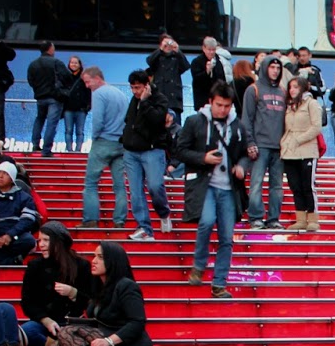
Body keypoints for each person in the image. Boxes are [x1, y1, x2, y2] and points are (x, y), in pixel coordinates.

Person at [177, 83, 250, 300]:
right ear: (210, 102)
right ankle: (199, 265)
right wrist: (203, 158)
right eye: (219, 105)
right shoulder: (195, 121)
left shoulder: (237, 126)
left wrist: (241, 167)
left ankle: (219, 283)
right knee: (206, 221)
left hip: (228, 188)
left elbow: (245, 153)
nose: (223, 110)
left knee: (227, 238)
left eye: (227, 106)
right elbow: (180, 150)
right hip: (204, 184)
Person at [61, 241, 153, 346]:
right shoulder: (99, 286)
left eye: (100, 257)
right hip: (103, 340)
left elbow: (137, 322)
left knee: (67, 333)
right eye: (94, 256)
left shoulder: (126, 286)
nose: (94, 261)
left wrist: (108, 341)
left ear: (112, 262)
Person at [20, 221, 97, 346]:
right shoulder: (34, 266)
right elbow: (27, 303)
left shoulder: (81, 265)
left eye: (46, 240)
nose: (41, 245)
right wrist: (46, 320)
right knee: (26, 331)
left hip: (73, 323)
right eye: (39, 240)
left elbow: (92, 300)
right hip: (44, 324)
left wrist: (73, 293)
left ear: (59, 242)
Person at [121, 70, 174, 240]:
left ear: (147, 86)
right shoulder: (133, 101)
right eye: (132, 88)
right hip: (131, 151)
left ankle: (164, 213)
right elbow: (130, 122)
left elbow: (157, 121)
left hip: (152, 150)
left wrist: (144, 103)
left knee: (155, 186)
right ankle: (144, 228)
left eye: (138, 88)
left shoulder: (160, 99)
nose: (135, 91)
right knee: (136, 191)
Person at [239, 54, 289, 229]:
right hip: (260, 145)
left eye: (278, 68)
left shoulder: (283, 91)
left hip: (279, 147)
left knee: (277, 186)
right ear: (265, 68)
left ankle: (274, 218)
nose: (275, 71)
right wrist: (250, 143)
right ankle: (255, 217)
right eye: (272, 67)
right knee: (256, 183)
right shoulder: (253, 90)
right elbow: (247, 120)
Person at [80, 66, 128, 227]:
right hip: (121, 143)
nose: (87, 86)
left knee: (91, 183)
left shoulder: (99, 94)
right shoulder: (120, 94)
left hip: (103, 142)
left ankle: (91, 219)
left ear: (97, 79)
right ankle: (120, 221)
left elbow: (98, 120)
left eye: (88, 82)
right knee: (120, 185)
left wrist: (94, 138)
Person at [280, 76, 324, 232]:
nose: (292, 90)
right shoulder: (289, 106)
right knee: (295, 186)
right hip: (289, 151)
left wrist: (299, 139)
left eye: (296, 87)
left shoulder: (312, 103)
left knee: (308, 185)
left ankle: (312, 218)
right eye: (290, 87)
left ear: (304, 88)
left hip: (307, 150)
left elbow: (316, 127)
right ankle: (300, 218)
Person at [26, 41, 67, 156]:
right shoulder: (56, 62)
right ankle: (46, 149)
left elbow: (30, 80)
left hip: (40, 97)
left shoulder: (33, 64)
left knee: (39, 119)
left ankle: (35, 144)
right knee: (51, 123)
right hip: (54, 97)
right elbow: (67, 77)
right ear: (50, 49)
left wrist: (38, 89)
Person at [144, 35, 189, 120]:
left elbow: (185, 66)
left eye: (170, 43)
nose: (168, 46)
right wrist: (160, 49)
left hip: (174, 100)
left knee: (175, 127)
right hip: (159, 98)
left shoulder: (176, 58)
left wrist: (178, 51)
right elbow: (149, 61)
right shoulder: (157, 58)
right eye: (166, 44)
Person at [59, 56, 90, 153]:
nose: (74, 64)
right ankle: (69, 150)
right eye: (72, 62)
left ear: (80, 65)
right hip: (68, 108)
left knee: (80, 131)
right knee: (68, 130)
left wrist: (87, 107)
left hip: (81, 109)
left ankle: (78, 150)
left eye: (76, 63)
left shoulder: (85, 78)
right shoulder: (65, 77)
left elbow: (89, 93)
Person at [189, 38, 229, 107]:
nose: (211, 52)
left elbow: (222, 79)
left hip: (218, 101)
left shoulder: (219, 61)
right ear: (204, 48)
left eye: (213, 50)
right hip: (203, 102)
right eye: (209, 50)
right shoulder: (196, 62)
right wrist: (207, 72)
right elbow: (197, 81)